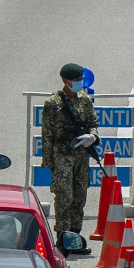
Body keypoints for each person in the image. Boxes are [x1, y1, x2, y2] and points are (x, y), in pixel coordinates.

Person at [41, 63, 99, 248]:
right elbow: (47, 134)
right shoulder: (53, 103)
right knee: (64, 196)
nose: (79, 83)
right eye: (75, 80)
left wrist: (93, 137)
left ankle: (76, 235)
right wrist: (49, 162)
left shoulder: (85, 100)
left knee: (80, 195)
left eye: (80, 80)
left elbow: (93, 123)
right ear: (65, 81)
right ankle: (63, 237)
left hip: (81, 155)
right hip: (62, 156)